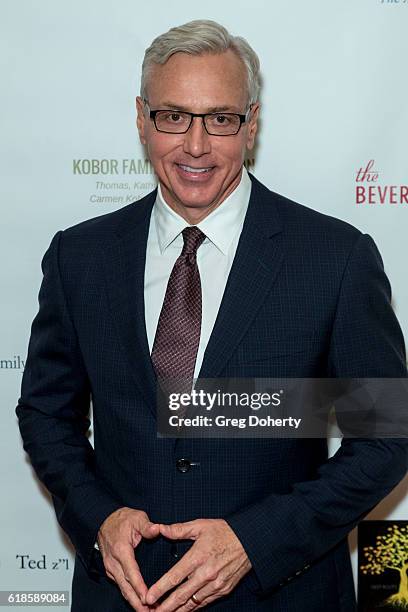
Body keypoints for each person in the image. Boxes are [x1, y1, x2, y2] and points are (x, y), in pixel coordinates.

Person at [16, 19, 407, 612]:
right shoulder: (81, 256)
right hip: (122, 595)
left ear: (251, 125)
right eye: (173, 116)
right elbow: (46, 413)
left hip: (280, 594)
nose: (195, 145)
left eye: (220, 119)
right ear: (142, 120)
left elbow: (387, 437)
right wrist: (100, 517)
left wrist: (255, 541)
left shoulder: (335, 258)